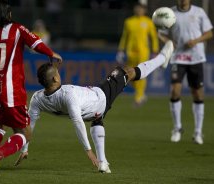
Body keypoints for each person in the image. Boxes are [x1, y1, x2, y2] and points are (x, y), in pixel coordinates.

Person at [15, 41, 174, 173]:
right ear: (55, 79)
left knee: (97, 119)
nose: (59, 73)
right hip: (100, 98)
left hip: (89, 111)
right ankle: (162, 58)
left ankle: (103, 163)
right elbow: (77, 123)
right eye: (57, 73)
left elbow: (29, 124)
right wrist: (88, 151)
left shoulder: (37, 98)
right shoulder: (67, 94)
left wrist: (25, 149)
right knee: (126, 72)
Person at [0, 0, 62, 183]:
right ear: (7, 15)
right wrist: (51, 53)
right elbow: (36, 42)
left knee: (0, 124)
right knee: (24, 134)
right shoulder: (16, 29)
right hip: (9, 91)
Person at [158, 0, 213, 145]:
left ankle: (198, 132)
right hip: (178, 57)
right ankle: (177, 128)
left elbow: (209, 33)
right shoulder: (170, 13)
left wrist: (196, 41)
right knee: (175, 91)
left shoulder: (199, 12)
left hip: (196, 57)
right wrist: (169, 42)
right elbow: (161, 33)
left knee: (198, 93)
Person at [117, 3, 159, 106]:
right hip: (131, 52)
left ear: (144, 10)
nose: (139, 10)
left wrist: (155, 50)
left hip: (143, 52)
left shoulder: (148, 22)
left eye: (142, 8)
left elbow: (153, 37)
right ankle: (141, 94)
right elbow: (124, 37)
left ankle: (138, 97)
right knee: (130, 75)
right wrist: (121, 50)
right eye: (138, 7)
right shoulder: (129, 22)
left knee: (141, 73)